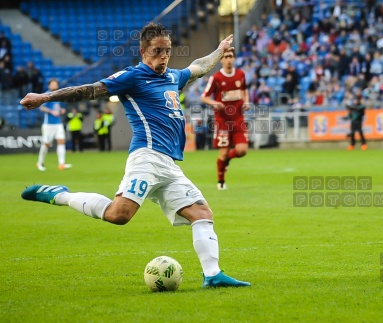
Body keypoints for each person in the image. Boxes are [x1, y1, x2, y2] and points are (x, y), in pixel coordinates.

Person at [20, 23, 250, 288]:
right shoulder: (132, 77)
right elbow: (90, 89)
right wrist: (45, 97)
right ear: (143, 52)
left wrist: (218, 52)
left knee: (202, 213)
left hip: (169, 165)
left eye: (167, 51)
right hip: (147, 158)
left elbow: (198, 67)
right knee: (119, 215)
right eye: (157, 51)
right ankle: (59, 194)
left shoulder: (174, 77)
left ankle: (212, 275)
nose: (163, 57)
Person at [201, 49, 249, 190]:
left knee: (242, 150)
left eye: (231, 57)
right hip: (222, 121)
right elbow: (204, 96)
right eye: (226, 57)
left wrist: (246, 101)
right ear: (221, 60)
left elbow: (244, 90)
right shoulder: (216, 78)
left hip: (238, 119)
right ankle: (221, 182)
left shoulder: (241, 75)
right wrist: (215, 103)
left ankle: (227, 159)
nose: (228, 59)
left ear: (234, 59)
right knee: (223, 151)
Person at [36, 78, 72, 171]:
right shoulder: (46, 95)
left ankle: (62, 164)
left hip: (58, 123)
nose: (54, 85)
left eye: (55, 84)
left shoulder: (58, 95)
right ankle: (40, 162)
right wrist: (52, 112)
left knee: (61, 142)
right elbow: (42, 108)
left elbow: (58, 108)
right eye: (52, 84)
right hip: (49, 124)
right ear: (49, 85)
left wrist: (61, 111)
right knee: (46, 144)